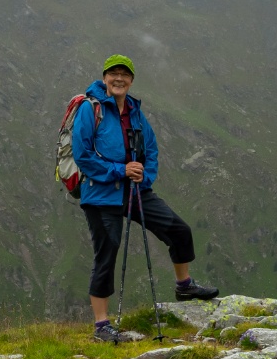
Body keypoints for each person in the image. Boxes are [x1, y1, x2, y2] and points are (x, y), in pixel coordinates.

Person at [71, 54, 219, 342]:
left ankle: (184, 285)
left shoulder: (136, 113)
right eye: (113, 74)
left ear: (131, 80)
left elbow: (150, 150)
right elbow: (82, 155)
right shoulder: (91, 109)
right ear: (104, 78)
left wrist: (144, 176)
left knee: (178, 229)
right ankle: (102, 326)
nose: (119, 79)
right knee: (107, 252)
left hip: (135, 191)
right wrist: (120, 170)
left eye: (124, 75)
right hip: (101, 194)